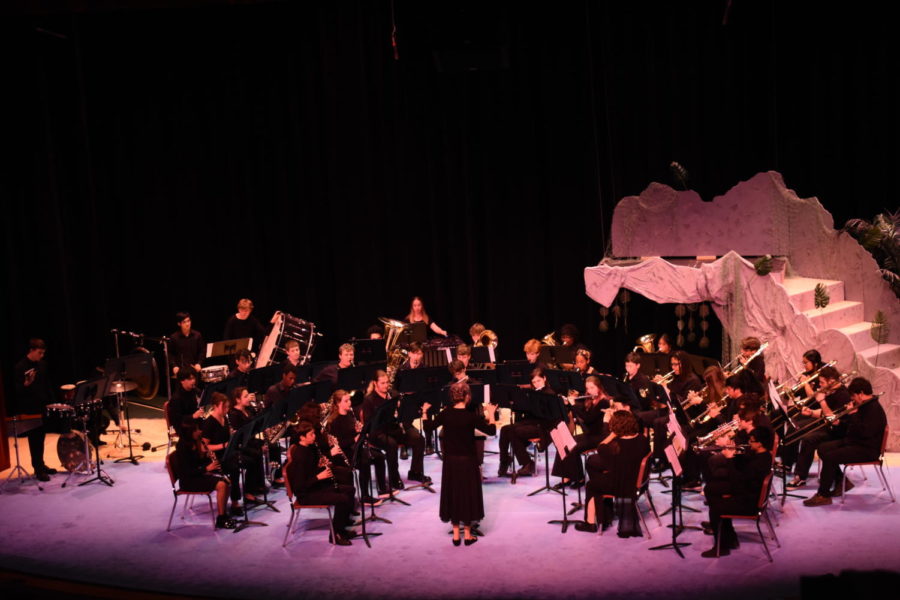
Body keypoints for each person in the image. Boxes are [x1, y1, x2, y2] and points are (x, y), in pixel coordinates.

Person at [425, 381, 497, 545]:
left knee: (454, 495)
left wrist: (424, 413)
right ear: (467, 397)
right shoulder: (471, 416)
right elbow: (491, 431)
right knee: (467, 496)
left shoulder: (445, 414)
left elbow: (428, 427)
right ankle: (468, 535)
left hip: (450, 463)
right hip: (468, 462)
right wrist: (491, 413)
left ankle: (456, 535)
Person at [803, 377, 887, 507]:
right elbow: (852, 427)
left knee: (831, 457)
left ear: (861, 393)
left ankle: (823, 495)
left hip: (867, 449)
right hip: (855, 442)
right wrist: (840, 422)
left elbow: (865, 433)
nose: (852, 399)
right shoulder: (864, 405)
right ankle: (841, 481)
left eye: (853, 395)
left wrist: (853, 414)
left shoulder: (873, 409)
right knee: (823, 448)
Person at [700, 425, 774, 557]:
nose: (749, 443)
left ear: (760, 443)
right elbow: (744, 465)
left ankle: (722, 546)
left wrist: (729, 459)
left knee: (715, 508)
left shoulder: (759, 463)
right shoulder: (763, 455)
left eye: (752, 441)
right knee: (711, 488)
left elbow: (738, 484)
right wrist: (732, 452)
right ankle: (728, 535)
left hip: (748, 502)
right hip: (748, 493)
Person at [575, 411, 651, 535]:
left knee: (591, 485)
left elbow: (600, 447)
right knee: (596, 468)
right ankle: (605, 511)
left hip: (622, 485)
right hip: (638, 482)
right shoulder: (642, 439)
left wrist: (612, 434)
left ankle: (591, 523)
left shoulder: (615, 446)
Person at [286, 421, 356, 546]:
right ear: (302, 437)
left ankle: (342, 528)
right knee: (343, 498)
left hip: (315, 487)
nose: (314, 436)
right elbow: (299, 486)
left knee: (350, 490)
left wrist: (321, 465)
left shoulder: (309, 448)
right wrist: (319, 476)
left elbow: (311, 469)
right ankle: (335, 534)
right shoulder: (300, 456)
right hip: (306, 495)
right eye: (311, 434)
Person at [360, 370, 430, 488]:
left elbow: (405, 413)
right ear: (375, 383)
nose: (386, 385)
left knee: (419, 439)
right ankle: (394, 478)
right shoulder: (369, 400)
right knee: (391, 444)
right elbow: (370, 425)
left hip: (396, 428)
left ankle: (415, 472)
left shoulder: (394, 394)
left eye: (387, 382)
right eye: (382, 383)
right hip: (379, 433)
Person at [786, 366, 850, 489]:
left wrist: (822, 401)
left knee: (808, 439)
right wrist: (811, 412)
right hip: (829, 426)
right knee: (797, 427)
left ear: (831, 381)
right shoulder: (831, 391)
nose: (820, 386)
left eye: (822, 382)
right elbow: (824, 412)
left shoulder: (843, 395)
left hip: (838, 431)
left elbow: (832, 417)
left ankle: (800, 477)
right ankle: (787, 462)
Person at [325, 389, 389, 503]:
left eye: (349, 400)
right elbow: (338, 444)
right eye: (346, 401)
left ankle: (382, 489)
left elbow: (356, 433)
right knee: (365, 461)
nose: (349, 403)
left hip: (356, 448)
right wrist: (353, 439)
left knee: (380, 456)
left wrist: (360, 430)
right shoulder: (334, 422)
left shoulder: (350, 413)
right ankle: (365, 496)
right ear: (338, 403)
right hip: (345, 453)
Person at [173, 420, 235, 529]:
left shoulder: (194, 442)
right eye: (196, 430)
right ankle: (221, 518)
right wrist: (206, 468)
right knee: (221, 485)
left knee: (227, 481)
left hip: (197, 476)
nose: (199, 431)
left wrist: (207, 458)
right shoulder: (183, 448)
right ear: (189, 432)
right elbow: (187, 472)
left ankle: (223, 512)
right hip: (188, 481)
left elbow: (197, 463)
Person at [551, 375, 612, 486]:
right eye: (587, 388)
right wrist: (569, 403)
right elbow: (582, 412)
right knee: (565, 442)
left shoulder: (604, 402)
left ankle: (579, 478)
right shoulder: (590, 399)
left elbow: (588, 419)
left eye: (592, 388)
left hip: (600, 436)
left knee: (574, 447)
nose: (589, 391)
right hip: (590, 434)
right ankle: (566, 477)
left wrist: (574, 404)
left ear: (599, 387)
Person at [13, 338, 58, 481]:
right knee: (35, 438)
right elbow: (16, 391)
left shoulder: (42, 364)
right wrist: (26, 383)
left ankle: (41, 465)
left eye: (43, 353)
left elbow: (47, 384)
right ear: (31, 350)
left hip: (42, 405)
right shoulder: (20, 367)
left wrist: (52, 402)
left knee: (41, 437)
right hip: (30, 408)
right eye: (40, 353)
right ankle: (38, 469)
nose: (41, 356)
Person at [497, 368, 555, 478]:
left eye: (539, 381)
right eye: (534, 382)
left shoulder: (549, 394)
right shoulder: (533, 392)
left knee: (514, 432)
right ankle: (504, 461)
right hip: (531, 422)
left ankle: (527, 463)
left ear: (545, 379)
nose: (536, 384)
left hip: (542, 426)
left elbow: (548, 416)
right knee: (505, 429)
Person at [201, 392, 244, 516]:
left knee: (244, 459)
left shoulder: (225, 418)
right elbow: (205, 447)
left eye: (227, 407)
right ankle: (235, 502)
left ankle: (246, 494)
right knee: (234, 468)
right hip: (216, 457)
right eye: (224, 407)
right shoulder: (209, 422)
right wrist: (223, 445)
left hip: (226, 453)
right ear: (216, 406)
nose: (226, 409)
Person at [168, 312, 205, 376]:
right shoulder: (174, 337)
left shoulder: (197, 335)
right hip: (180, 371)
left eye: (188, 321)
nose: (187, 324)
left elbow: (202, 351)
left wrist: (199, 363)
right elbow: (170, 353)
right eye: (184, 322)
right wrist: (174, 366)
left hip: (194, 370)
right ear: (179, 324)